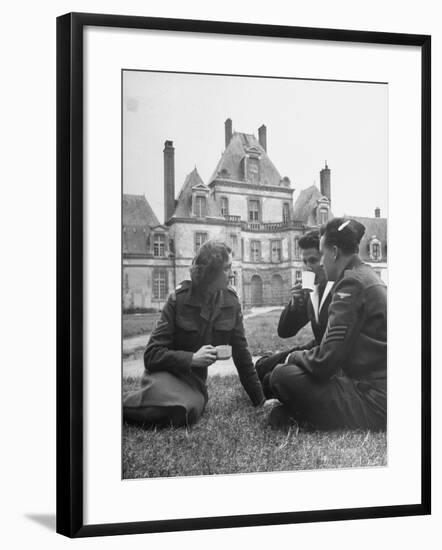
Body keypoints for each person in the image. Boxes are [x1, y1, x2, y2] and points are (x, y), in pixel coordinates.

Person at [123, 240, 267, 428]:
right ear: (209, 273)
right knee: (164, 405)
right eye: (226, 268)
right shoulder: (178, 300)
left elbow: (242, 355)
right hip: (166, 374)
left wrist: (260, 401)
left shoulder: (231, 303)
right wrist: (191, 358)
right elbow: (151, 355)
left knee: (185, 411)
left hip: (194, 384)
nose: (231, 274)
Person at [268, 218, 387, 431]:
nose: (321, 263)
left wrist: (292, 357)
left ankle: (300, 413)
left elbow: (324, 362)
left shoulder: (350, 284)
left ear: (334, 252)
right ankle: (300, 412)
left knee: (281, 375)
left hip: (375, 399)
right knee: (286, 374)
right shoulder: (364, 275)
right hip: (377, 388)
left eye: (321, 255)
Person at [255, 230, 333, 397]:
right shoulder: (312, 289)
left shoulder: (339, 290)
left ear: (327, 258)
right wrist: (295, 304)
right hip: (314, 348)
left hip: (324, 356)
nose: (307, 267)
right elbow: (284, 332)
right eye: (304, 261)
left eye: (313, 260)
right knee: (261, 366)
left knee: (271, 378)